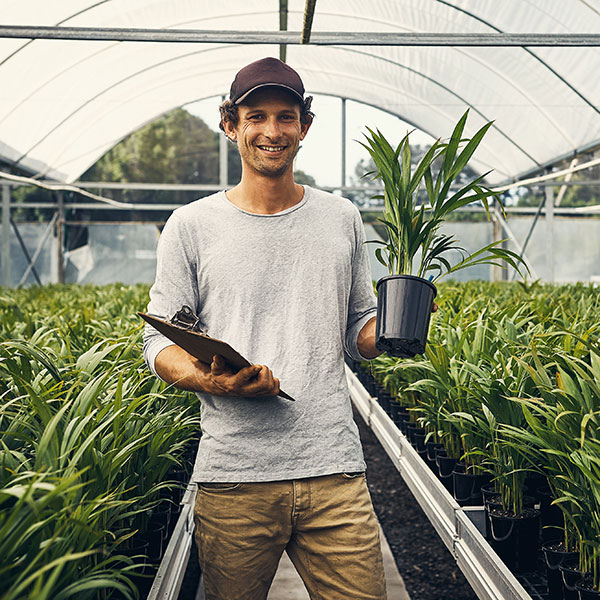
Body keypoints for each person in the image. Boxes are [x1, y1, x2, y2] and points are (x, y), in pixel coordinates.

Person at [143, 56, 387, 600]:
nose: (272, 131)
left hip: (333, 471)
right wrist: (213, 381)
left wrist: (392, 330)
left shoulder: (341, 218)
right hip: (234, 476)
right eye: (256, 116)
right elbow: (158, 339)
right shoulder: (192, 225)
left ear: (305, 127)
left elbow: (357, 327)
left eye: (286, 116)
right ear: (231, 124)